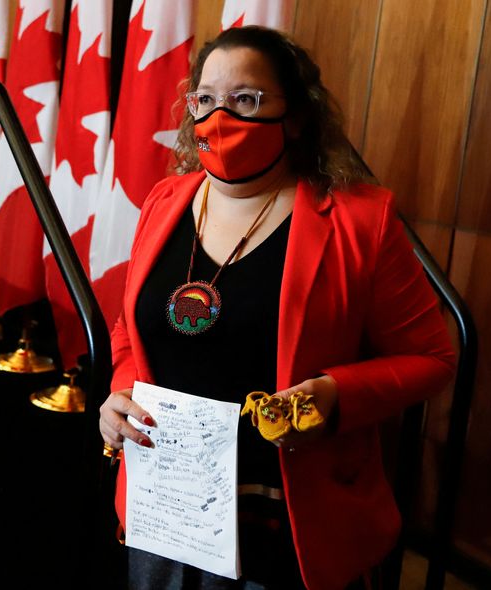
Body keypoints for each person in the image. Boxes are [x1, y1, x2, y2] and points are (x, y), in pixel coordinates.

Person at [99, 25, 456, 590]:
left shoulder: (362, 221)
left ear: (294, 115)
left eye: (246, 99)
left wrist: (333, 396)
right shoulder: (165, 199)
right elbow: (129, 329)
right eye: (206, 98)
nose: (221, 115)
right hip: (168, 506)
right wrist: (121, 395)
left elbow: (432, 357)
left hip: (287, 520)